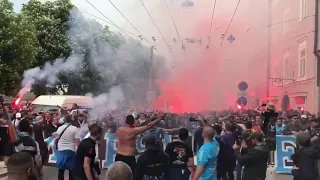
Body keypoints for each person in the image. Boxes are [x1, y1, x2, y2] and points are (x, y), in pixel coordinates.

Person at [54, 114, 80, 180]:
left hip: (61, 150)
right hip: (71, 150)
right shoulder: (75, 129)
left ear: (64, 120)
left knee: (61, 170)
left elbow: (56, 140)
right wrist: (79, 150)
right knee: (71, 170)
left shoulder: (60, 128)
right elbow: (77, 140)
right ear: (71, 120)